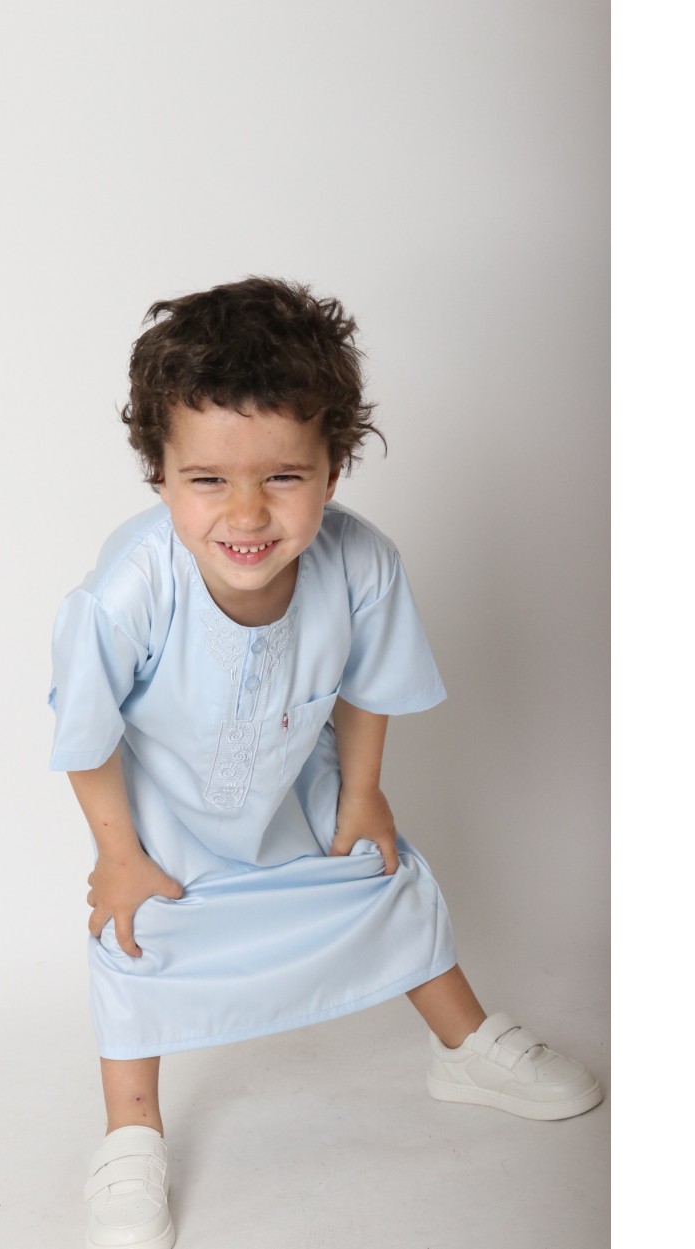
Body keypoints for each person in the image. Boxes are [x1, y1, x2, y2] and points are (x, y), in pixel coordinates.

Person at [48, 276, 602, 1249]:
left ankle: (464, 1043)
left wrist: (362, 793)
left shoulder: (362, 563)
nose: (246, 513)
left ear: (334, 468)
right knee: (140, 941)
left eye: (283, 476)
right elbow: (85, 734)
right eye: (207, 480)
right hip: (163, 814)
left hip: (287, 791)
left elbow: (369, 684)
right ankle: (131, 1132)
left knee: (386, 879)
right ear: (159, 475)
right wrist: (118, 855)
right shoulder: (128, 590)